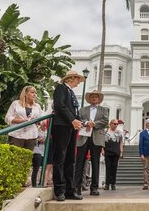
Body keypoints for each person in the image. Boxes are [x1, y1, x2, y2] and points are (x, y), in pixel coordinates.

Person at [52, 70, 84, 201]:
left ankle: (70, 190)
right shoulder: (61, 88)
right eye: (77, 80)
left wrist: (79, 121)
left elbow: (73, 110)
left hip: (71, 127)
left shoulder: (71, 92)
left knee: (70, 159)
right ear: (71, 79)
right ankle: (59, 189)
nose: (78, 83)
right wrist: (72, 120)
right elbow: (60, 106)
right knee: (60, 158)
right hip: (61, 126)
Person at [75, 90, 109, 196]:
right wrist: (86, 123)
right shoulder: (83, 109)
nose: (94, 98)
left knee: (95, 163)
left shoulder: (103, 110)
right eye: (92, 97)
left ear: (98, 99)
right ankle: (77, 187)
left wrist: (93, 124)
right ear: (89, 99)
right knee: (79, 162)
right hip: (84, 137)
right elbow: (79, 119)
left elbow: (105, 121)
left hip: (97, 138)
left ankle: (94, 187)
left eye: (96, 97)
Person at [5, 86, 42, 151]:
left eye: (35, 93)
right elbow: (8, 118)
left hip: (31, 135)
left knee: (28, 158)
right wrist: (22, 121)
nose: (35, 95)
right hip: (16, 134)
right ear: (25, 93)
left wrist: (36, 121)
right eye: (32, 92)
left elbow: (40, 121)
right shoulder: (16, 103)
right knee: (15, 156)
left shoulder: (37, 106)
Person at [103, 119, 124, 190]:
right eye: (114, 124)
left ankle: (113, 184)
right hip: (107, 151)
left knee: (114, 168)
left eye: (117, 124)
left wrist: (121, 151)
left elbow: (121, 142)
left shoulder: (119, 132)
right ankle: (107, 184)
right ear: (110, 124)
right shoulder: (106, 131)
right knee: (108, 168)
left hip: (116, 152)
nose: (116, 125)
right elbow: (102, 142)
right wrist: (102, 150)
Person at [31, 121, 48, 187]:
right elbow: (33, 139)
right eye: (43, 125)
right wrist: (39, 140)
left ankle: (41, 183)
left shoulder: (48, 131)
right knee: (36, 168)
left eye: (46, 126)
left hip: (45, 152)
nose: (44, 127)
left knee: (44, 168)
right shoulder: (37, 130)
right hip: (37, 151)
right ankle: (34, 185)